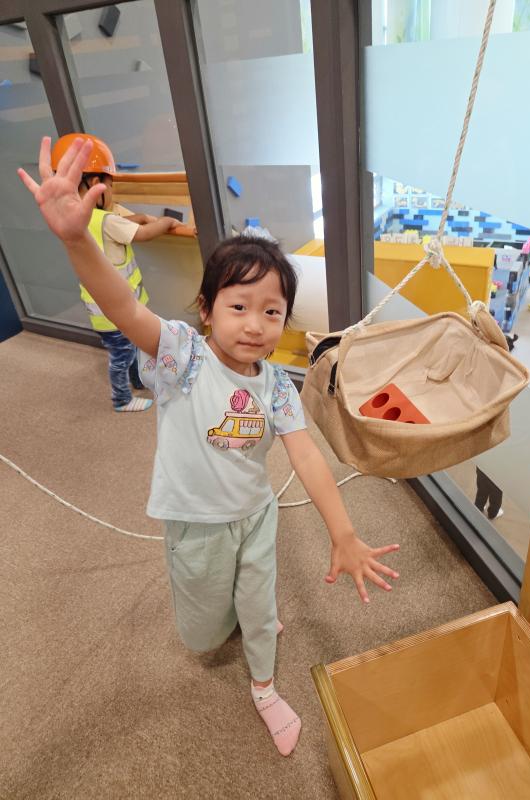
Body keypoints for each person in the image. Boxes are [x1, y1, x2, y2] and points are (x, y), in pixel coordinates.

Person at [18, 136, 401, 758]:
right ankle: (234, 622)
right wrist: (77, 240)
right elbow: (121, 305)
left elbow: (305, 454)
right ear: (206, 310)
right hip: (195, 524)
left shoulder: (276, 383)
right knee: (202, 631)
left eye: (272, 312)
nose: (255, 324)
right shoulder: (182, 356)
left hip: (255, 517)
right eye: (239, 305)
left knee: (259, 605)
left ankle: (264, 686)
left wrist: (344, 532)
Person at [51, 133, 184, 412]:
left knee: (132, 347)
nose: (111, 193)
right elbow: (142, 234)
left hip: (103, 310)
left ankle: (138, 380)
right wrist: (166, 222)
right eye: (110, 186)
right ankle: (122, 399)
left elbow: (115, 224)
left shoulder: (80, 218)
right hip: (118, 311)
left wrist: (140, 217)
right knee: (122, 355)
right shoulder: (106, 220)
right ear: (95, 184)